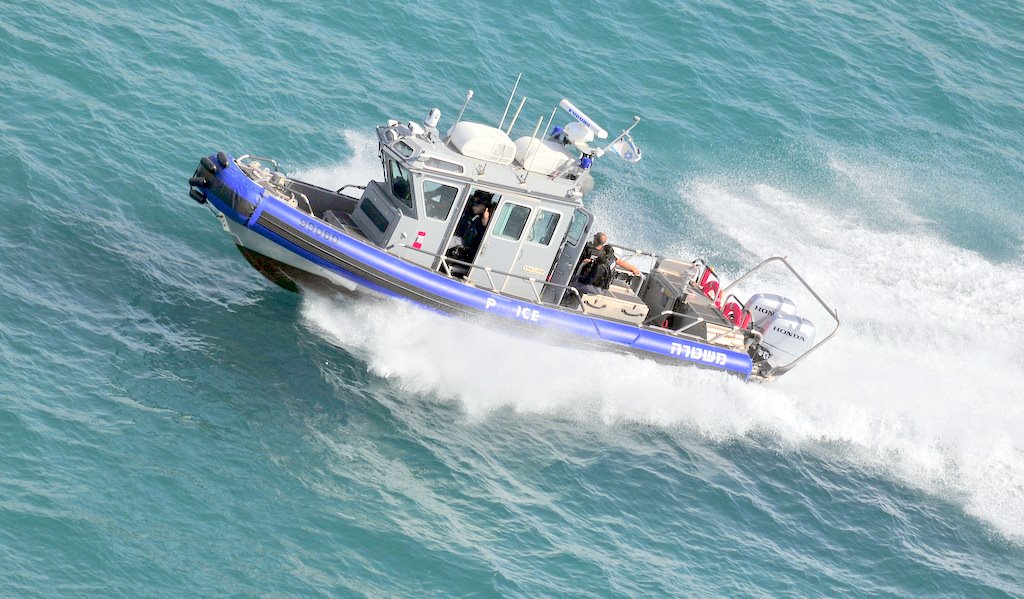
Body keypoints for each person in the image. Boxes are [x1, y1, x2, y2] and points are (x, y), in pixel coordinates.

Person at [574, 231, 640, 278]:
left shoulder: (586, 249)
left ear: (595, 240)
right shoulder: (606, 253)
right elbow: (619, 262)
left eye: (595, 236)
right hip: (594, 279)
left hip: (581, 276)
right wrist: (633, 268)